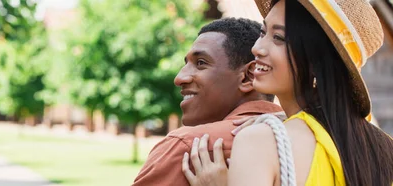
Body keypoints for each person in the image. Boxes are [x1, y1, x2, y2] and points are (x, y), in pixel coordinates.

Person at [182, 0, 393, 185]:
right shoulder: (381, 148)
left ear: (315, 62)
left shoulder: (260, 141)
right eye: (264, 32)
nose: (257, 48)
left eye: (279, 38)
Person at [132, 18, 283, 186]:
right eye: (186, 64)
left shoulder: (190, 148)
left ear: (249, 76)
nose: (179, 78)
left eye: (201, 63)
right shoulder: (304, 138)